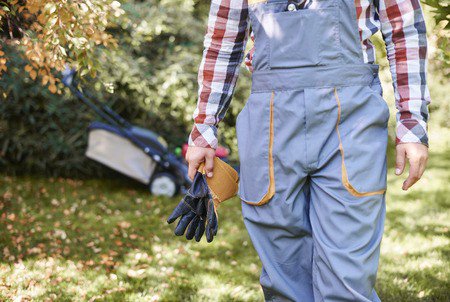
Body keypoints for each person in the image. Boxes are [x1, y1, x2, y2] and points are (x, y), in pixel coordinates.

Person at [185, 0, 430, 300]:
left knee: (347, 278)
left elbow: (405, 28)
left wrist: (412, 124)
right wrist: (204, 130)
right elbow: (223, 41)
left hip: (351, 121)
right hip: (270, 124)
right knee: (284, 276)